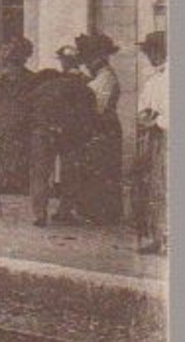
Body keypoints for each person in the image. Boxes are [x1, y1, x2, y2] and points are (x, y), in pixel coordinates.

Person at [25, 46, 96, 226]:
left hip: (43, 132)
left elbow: (29, 108)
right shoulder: (85, 90)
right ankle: (64, 211)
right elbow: (89, 117)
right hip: (70, 135)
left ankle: (39, 214)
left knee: (40, 173)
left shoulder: (45, 85)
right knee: (70, 172)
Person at [76, 32, 124, 225]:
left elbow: (98, 106)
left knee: (104, 169)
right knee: (95, 168)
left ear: (100, 57)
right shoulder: (97, 77)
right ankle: (94, 211)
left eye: (89, 59)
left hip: (104, 127)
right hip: (97, 127)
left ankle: (105, 214)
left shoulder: (106, 78)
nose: (87, 63)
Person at [0, 37, 36, 194]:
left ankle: (3, 182)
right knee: (19, 151)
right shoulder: (31, 77)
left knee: (1, 150)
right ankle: (17, 182)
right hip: (23, 117)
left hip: (0, 117)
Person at [134, 31, 168, 255]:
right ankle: (158, 237)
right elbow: (143, 107)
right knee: (154, 187)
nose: (148, 56)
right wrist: (146, 117)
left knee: (169, 186)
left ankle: (169, 239)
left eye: (151, 51)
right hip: (153, 137)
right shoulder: (154, 78)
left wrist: (157, 120)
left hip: (168, 136)